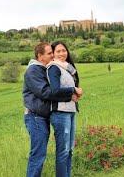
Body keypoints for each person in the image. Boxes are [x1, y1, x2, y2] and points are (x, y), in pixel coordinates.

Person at [22, 42, 82, 177]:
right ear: (40, 56)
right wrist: (71, 92)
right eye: (49, 53)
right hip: (35, 116)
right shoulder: (33, 70)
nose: (53, 55)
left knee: (40, 154)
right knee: (38, 154)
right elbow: (46, 92)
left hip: (43, 116)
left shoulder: (45, 68)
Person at [47, 41, 83, 177]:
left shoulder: (67, 68)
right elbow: (55, 90)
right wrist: (74, 89)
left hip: (70, 111)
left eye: (64, 50)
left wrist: (75, 95)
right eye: (58, 51)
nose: (62, 53)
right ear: (53, 54)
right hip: (60, 113)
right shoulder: (53, 68)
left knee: (70, 150)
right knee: (63, 151)